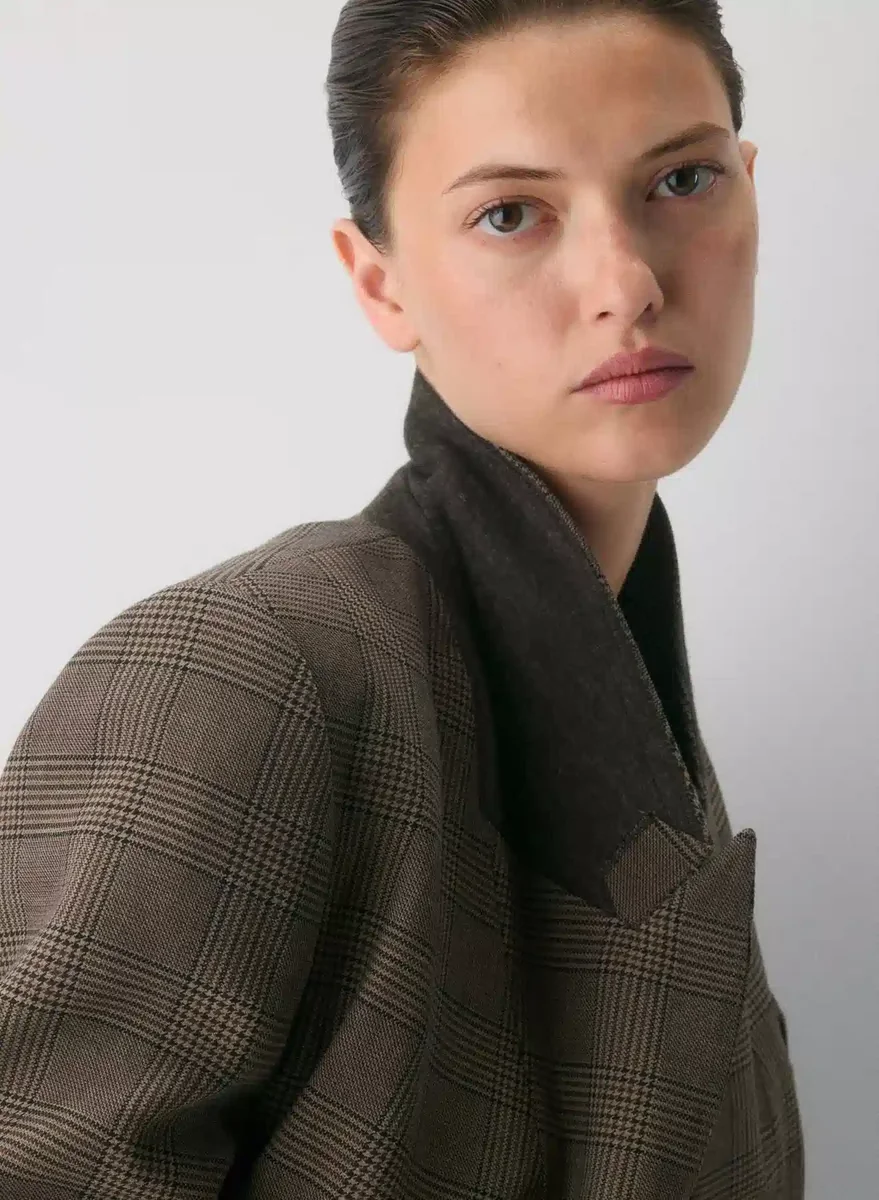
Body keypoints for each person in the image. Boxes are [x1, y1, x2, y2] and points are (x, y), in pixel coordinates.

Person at [0, 1, 805, 1196]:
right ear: (379, 284)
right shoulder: (255, 665)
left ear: (751, 190)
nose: (627, 283)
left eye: (682, 180)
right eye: (510, 213)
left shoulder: (641, 718)